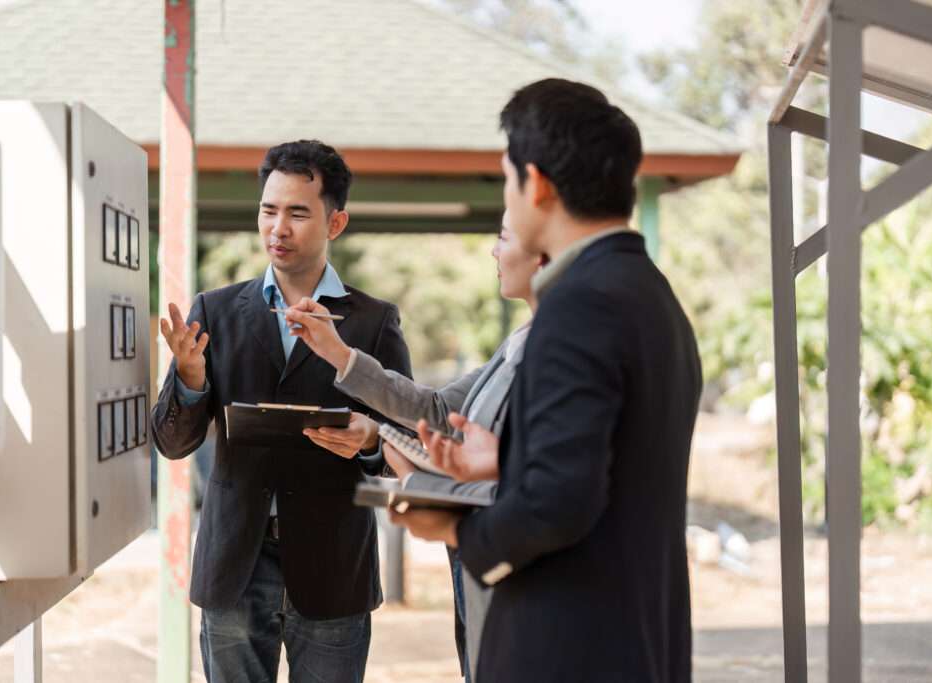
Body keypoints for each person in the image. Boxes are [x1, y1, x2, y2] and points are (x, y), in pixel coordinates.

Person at [391, 78, 703, 682]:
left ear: (537, 184)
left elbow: (558, 505)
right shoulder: (650, 295)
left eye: (508, 181)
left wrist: (453, 528)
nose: (507, 202)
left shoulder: (577, 303)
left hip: (570, 647)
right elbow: (611, 466)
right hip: (638, 639)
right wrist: (508, 457)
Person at [150, 140, 413, 683]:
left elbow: (407, 446)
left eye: (297, 213)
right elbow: (172, 443)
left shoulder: (372, 323)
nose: (278, 228)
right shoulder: (213, 312)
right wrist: (193, 380)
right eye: (269, 211)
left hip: (334, 564)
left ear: (335, 223)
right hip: (235, 564)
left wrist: (369, 442)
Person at [285, 214, 545, 681]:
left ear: (543, 251)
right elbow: (440, 410)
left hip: (517, 572)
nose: (493, 251)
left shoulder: (564, 350)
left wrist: (412, 471)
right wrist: (341, 358)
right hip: (478, 568)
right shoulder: (520, 341)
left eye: (503, 237)